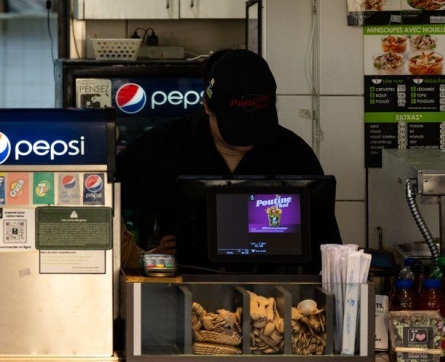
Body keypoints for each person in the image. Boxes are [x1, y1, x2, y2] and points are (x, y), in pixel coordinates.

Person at [116, 49, 341, 270]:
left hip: (277, 295)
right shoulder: (164, 145)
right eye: (236, 127)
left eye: (256, 126)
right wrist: (141, 258)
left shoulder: (294, 153)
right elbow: (101, 202)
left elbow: (327, 246)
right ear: (206, 106)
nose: (248, 139)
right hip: (180, 291)